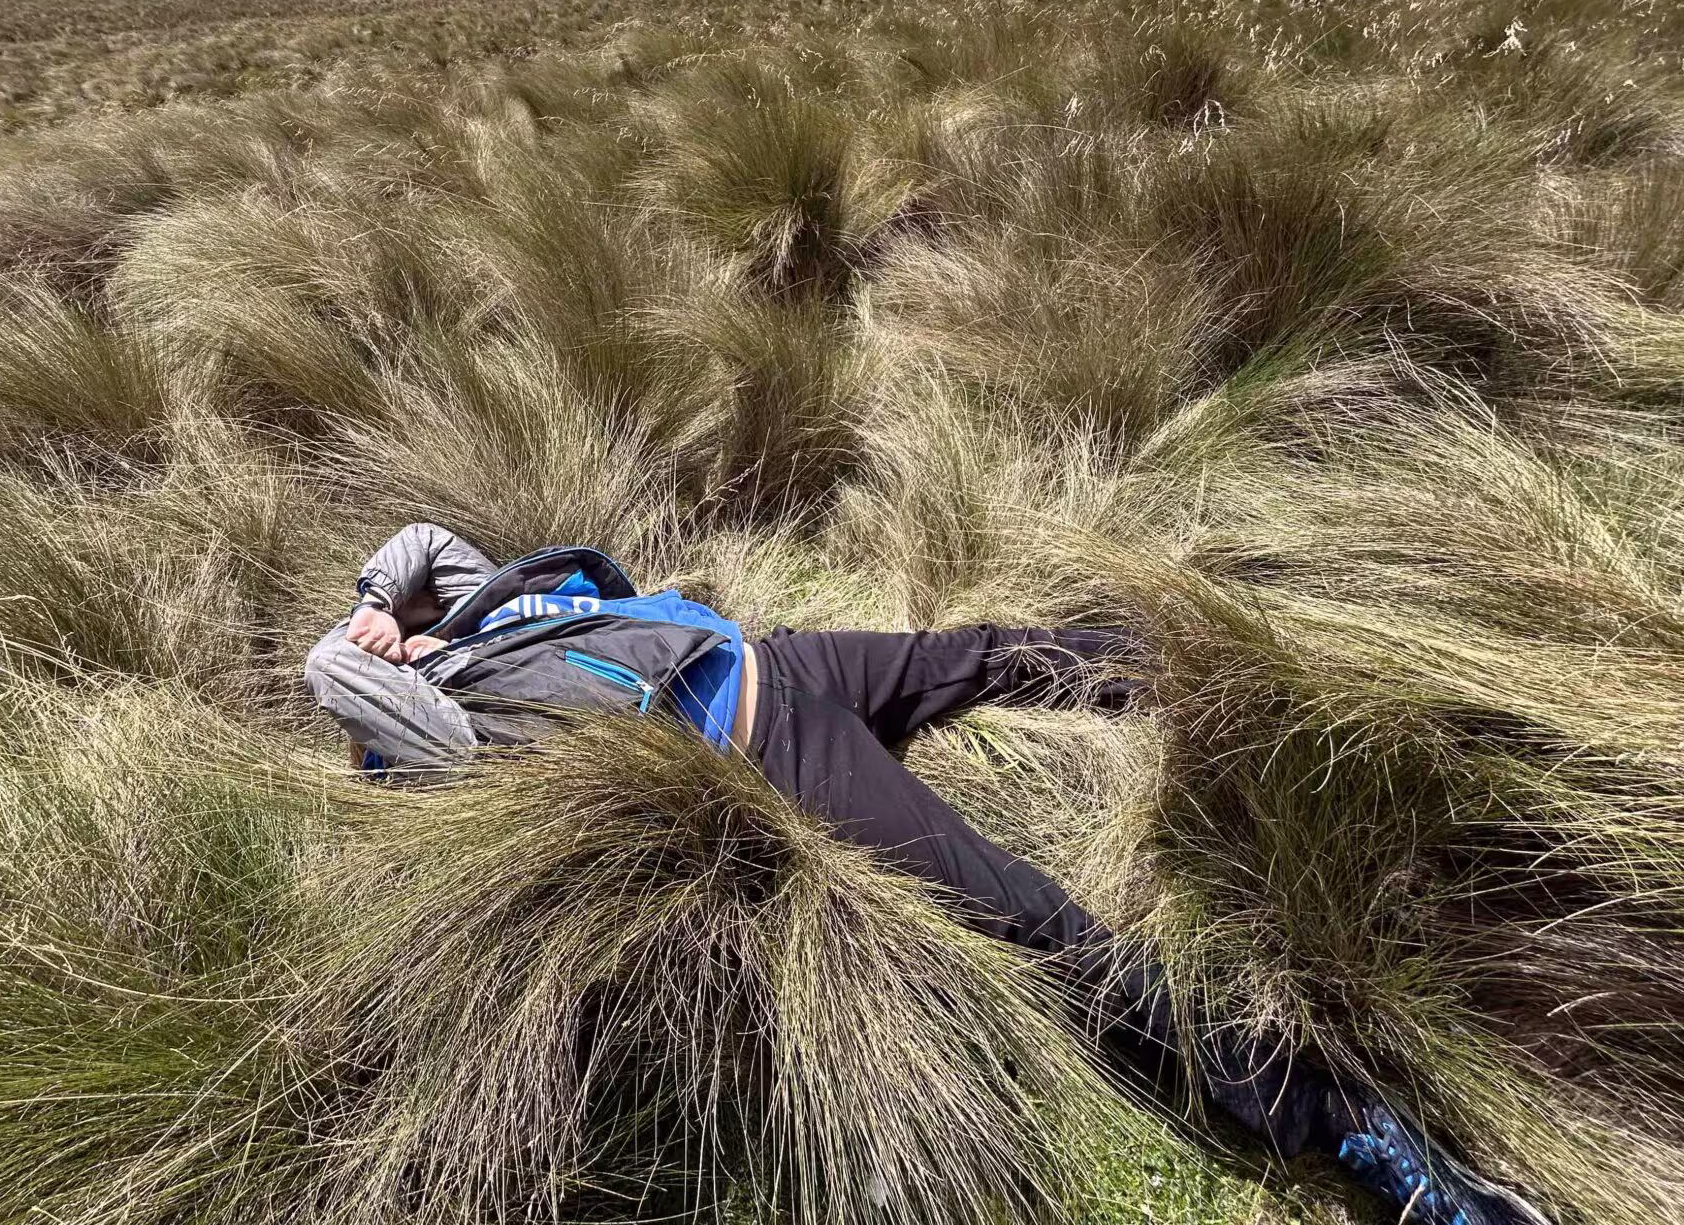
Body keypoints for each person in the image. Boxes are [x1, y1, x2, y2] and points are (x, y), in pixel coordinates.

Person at [306, 522, 1552, 1225]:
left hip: (772, 657)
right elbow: (336, 686)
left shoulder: (468, 611)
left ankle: (1242, 667)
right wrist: (355, 650)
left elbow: (424, 537)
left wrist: (382, 594)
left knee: (992, 655)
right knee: (1043, 934)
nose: (385, 631)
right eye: (380, 646)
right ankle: (1381, 1155)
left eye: (387, 623)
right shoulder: (425, 743)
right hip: (764, 753)